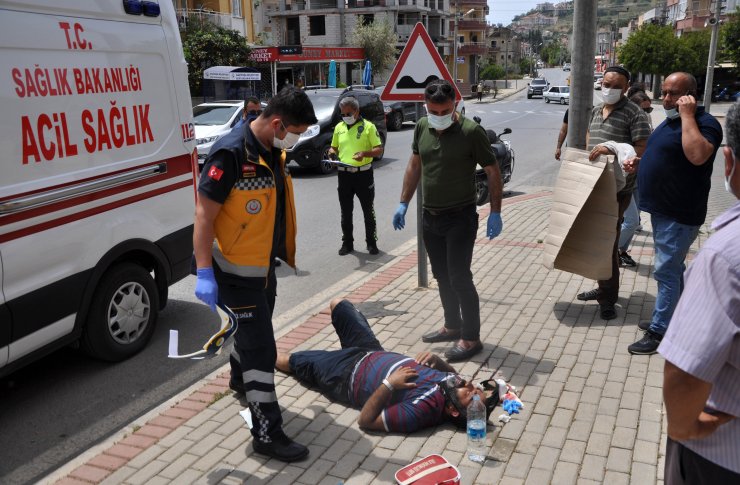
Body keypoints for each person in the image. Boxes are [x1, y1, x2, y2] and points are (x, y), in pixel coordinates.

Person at [193, 87, 318, 462]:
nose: (295, 139)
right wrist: (203, 272)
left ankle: (237, 378)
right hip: (233, 274)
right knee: (262, 350)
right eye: (295, 130)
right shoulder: (230, 153)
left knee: (250, 336)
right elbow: (204, 216)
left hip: (263, 269)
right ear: (278, 123)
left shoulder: (271, 152)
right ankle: (267, 434)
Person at [392, 79, 503, 362]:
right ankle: (452, 325)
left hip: (460, 217)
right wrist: (404, 202)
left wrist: (495, 211)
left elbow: (492, 170)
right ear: (426, 106)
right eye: (434, 111)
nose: (439, 117)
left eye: (445, 111)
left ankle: (471, 337)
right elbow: (415, 164)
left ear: (455, 105)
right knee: (441, 276)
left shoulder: (470, 131)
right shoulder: (421, 127)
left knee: (460, 278)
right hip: (430, 216)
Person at [658, 99, 739, 483]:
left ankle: (658, 325)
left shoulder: (725, 257)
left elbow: (686, 372)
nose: (668, 101)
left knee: (666, 272)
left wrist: (682, 427)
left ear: (730, 162)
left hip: (720, 456)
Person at [276, 299, 502, 432]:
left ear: (453, 410)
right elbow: (451, 374)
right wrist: (439, 362)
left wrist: (389, 384)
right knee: (339, 305)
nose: (471, 384)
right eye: (476, 389)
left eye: (470, 395)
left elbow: (366, 421)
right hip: (371, 351)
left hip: (344, 374)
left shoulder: (421, 411)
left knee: (287, 360)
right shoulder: (454, 386)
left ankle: (252, 353)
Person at [625, 72, 723, 354]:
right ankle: (672, 317)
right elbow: (670, 156)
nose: (666, 99)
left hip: (679, 213)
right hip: (663, 211)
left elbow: (697, 155)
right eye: (665, 93)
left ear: (691, 95)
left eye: (674, 94)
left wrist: (688, 115)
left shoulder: (704, 123)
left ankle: (661, 331)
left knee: (666, 271)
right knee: (672, 269)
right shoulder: (671, 121)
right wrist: (641, 163)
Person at [577, 66, 652, 320]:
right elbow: (590, 139)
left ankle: (608, 297)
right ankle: (603, 288)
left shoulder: (635, 113)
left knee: (607, 242)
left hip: (618, 190)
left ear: (626, 87)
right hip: (594, 186)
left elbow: (642, 148)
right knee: (598, 240)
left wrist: (614, 151)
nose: (609, 89)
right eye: (606, 84)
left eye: (616, 85)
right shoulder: (597, 111)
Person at [328, 96, 383, 256]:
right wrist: (332, 154)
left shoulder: (368, 127)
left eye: (348, 113)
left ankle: (371, 243)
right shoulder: (339, 127)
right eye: (343, 114)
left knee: (368, 210)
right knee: (346, 211)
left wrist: (365, 153)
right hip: (344, 175)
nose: (346, 117)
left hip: (363, 174)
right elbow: (334, 147)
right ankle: (347, 243)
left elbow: (378, 149)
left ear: (357, 111)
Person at [618, 90, 654, 267]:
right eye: (644, 110)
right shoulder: (627, 122)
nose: (646, 114)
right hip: (626, 179)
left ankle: (621, 252)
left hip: (640, 178)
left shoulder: (646, 121)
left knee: (635, 219)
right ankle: (610, 251)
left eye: (649, 110)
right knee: (631, 221)